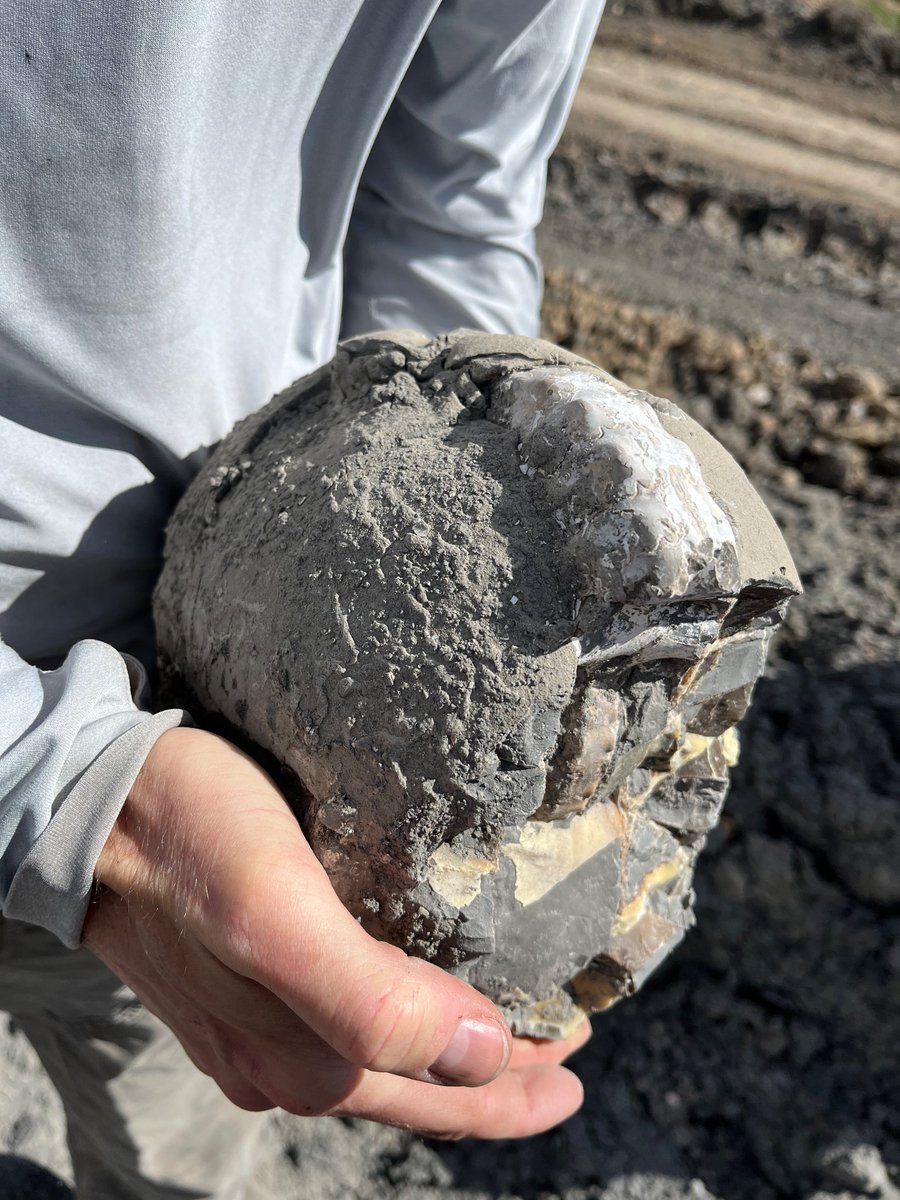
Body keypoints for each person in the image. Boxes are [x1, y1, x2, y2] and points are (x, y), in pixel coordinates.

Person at [0, 1, 604, 1195]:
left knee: (169, 1151)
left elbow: (447, 211)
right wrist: (62, 783)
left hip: (207, 757)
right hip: (144, 795)